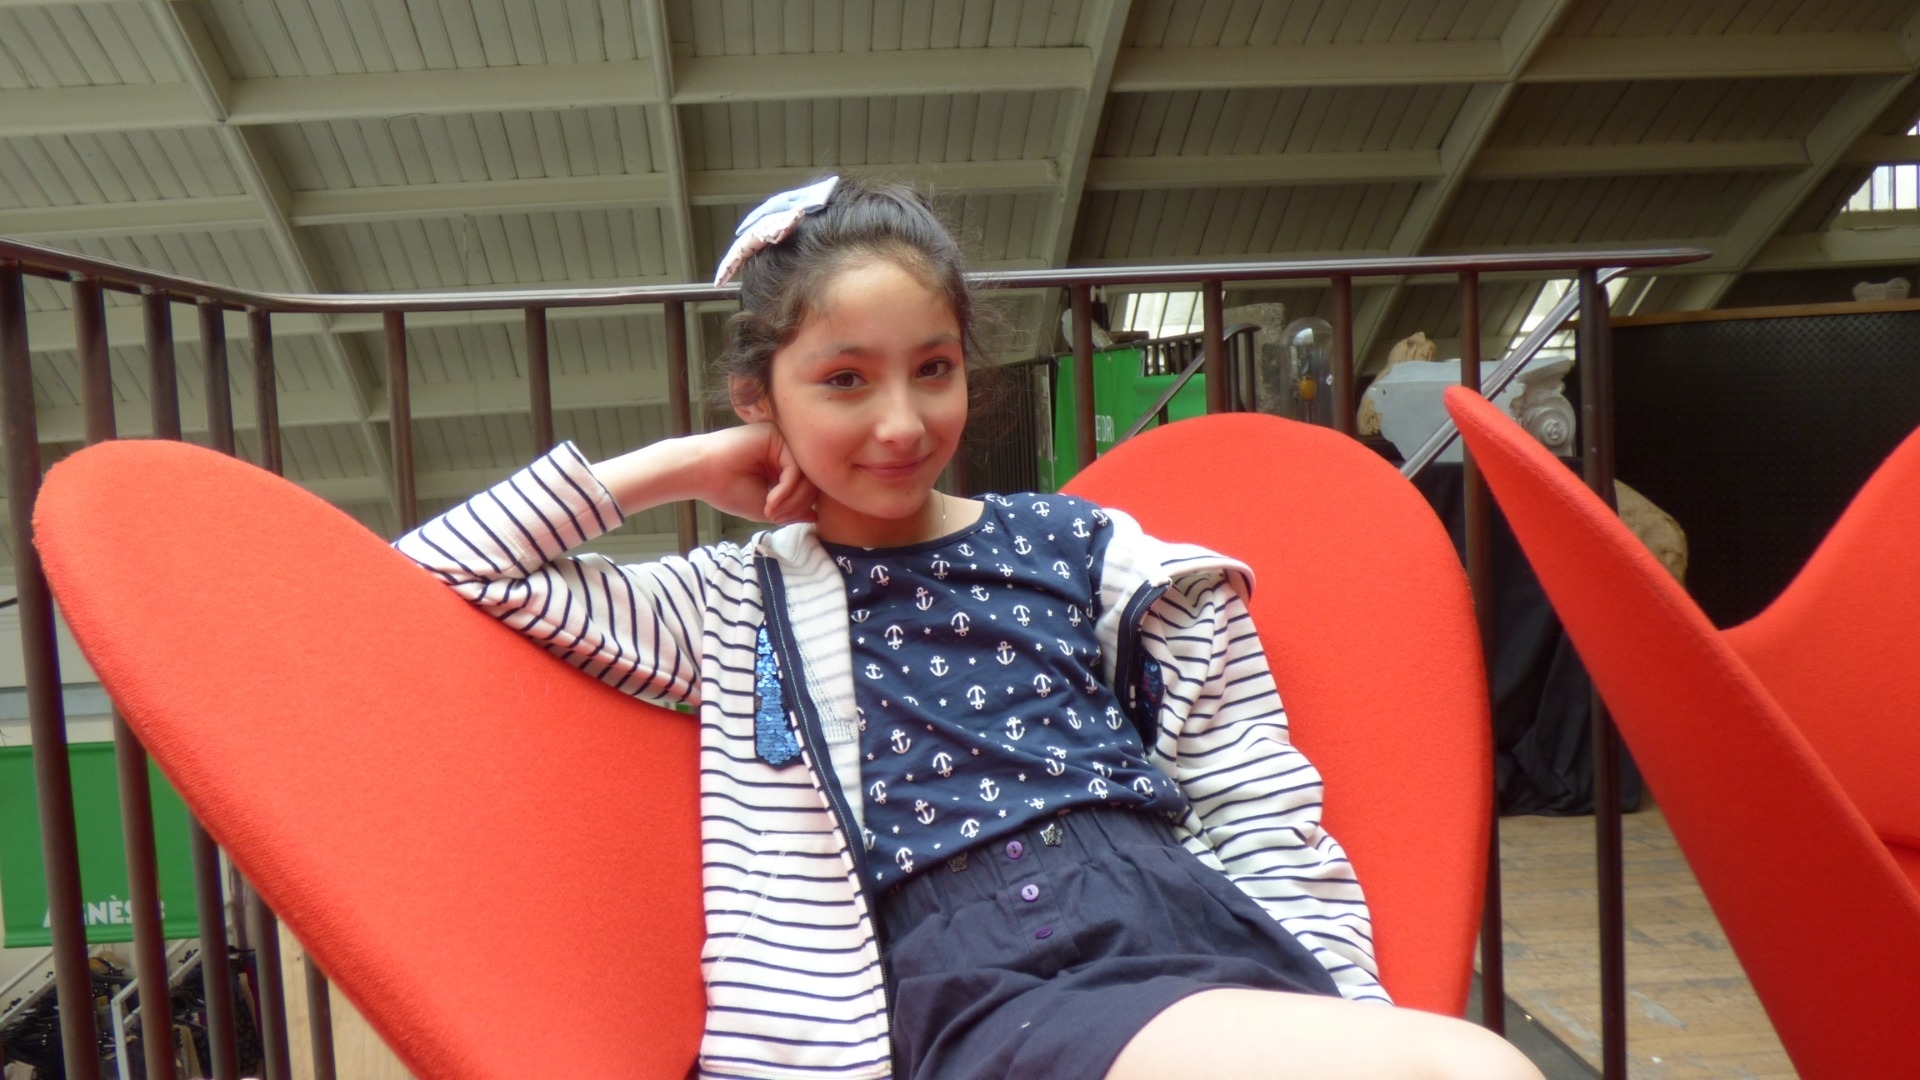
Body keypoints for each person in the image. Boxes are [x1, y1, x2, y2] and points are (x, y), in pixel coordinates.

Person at [396, 176, 1541, 1080]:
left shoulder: (1082, 548)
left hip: (1181, 913)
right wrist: (679, 467)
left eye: (932, 369)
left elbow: (1251, 794)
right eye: (844, 380)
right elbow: (429, 576)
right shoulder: (736, 602)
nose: (902, 422)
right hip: (987, 972)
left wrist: (1348, 998)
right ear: (760, 400)